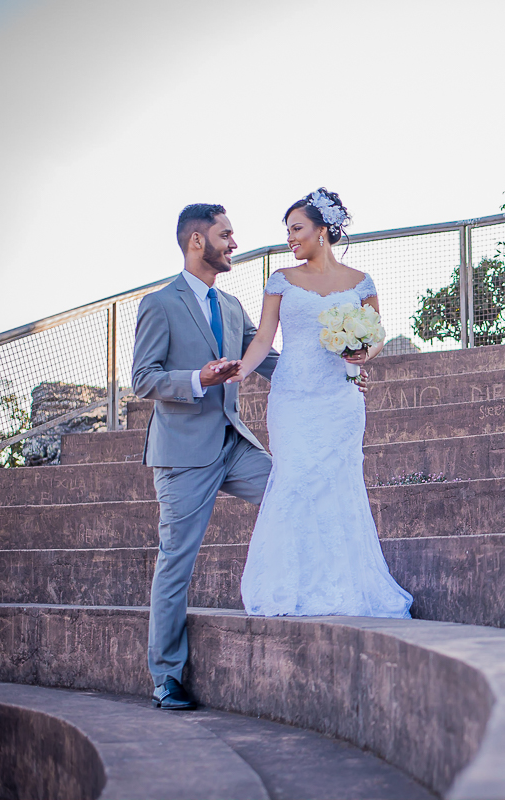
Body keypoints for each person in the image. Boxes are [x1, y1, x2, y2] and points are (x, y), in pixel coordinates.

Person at [230, 188, 413, 619]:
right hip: (292, 396)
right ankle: (287, 585)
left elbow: (377, 335)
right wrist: (239, 370)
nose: (290, 239)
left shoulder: (361, 281)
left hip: (341, 398)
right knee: (295, 478)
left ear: (322, 231)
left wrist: (360, 355)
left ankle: (342, 586)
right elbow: (262, 339)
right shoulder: (281, 280)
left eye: (297, 229)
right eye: (287, 231)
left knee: (338, 482)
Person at [131, 203, 280, 710]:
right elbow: (144, 378)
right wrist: (200, 379)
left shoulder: (233, 306)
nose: (234, 243)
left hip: (233, 444)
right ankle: (166, 676)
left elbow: (267, 359)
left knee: (292, 492)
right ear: (198, 241)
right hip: (182, 456)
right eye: (226, 234)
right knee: (176, 564)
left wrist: (336, 373)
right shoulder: (159, 303)